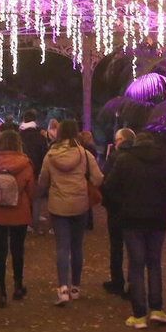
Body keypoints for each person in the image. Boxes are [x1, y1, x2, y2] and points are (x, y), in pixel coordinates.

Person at [99, 130, 166, 329]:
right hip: (157, 219)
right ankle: (156, 308)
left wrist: (122, 204)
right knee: (154, 263)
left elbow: (108, 187)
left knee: (136, 265)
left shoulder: (125, 160)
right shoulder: (165, 162)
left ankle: (139, 314)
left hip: (131, 219)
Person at [35, 116, 103, 304]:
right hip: (80, 204)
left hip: (58, 205)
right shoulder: (84, 154)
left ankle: (63, 288)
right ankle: (76, 287)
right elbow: (98, 178)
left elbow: (42, 180)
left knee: (62, 246)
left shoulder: (50, 155)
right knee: (77, 246)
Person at [0, 129, 36, 307]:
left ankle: (1, 291)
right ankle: (19, 285)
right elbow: (31, 190)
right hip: (19, 212)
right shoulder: (25, 164)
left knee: (0, 252)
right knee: (17, 249)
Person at [101, 128, 136, 297]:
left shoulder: (114, 157)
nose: (115, 144)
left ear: (121, 140)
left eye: (116, 141)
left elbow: (105, 182)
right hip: (134, 208)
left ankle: (117, 281)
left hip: (116, 208)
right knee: (133, 248)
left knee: (116, 246)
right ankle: (132, 283)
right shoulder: (139, 156)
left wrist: (107, 201)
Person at [18, 112, 50, 232]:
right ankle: (34, 224)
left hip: (21, 170)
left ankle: (22, 222)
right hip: (36, 171)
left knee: (23, 198)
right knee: (36, 199)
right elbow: (44, 155)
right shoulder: (40, 138)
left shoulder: (19, 136)